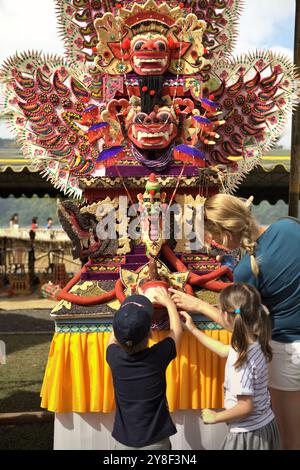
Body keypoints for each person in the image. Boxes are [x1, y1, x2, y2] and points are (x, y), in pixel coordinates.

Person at [169, 193, 300, 450]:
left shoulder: (245, 271)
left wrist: (199, 306)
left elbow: (237, 323)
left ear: (228, 231)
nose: (212, 242)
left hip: (286, 351)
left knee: (290, 436)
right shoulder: (289, 226)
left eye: (215, 236)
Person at [180, 283, 280, 450]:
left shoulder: (240, 361)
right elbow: (223, 350)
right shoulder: (255, 340)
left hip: (247, 434)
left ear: (225, 316)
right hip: (266, 425)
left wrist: (215, 417)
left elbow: (245, 406)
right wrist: (193, 329)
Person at [106, 289, 182, 450]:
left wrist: (126, 312)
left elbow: (112, 338)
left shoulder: (114, 357)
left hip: (123, 443)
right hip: (156, 442)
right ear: (150, 333)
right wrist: (169, 304)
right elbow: (177, 332)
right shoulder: (157, 357)